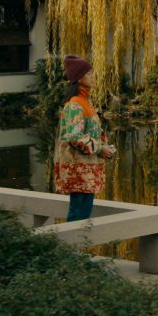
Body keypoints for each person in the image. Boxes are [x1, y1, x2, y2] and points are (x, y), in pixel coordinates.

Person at [54, 55, 115, 222]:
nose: (93, 76)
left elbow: (91, 134)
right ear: (79, 78)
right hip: (78, 170)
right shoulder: (75, 104)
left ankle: (76, 247)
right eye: (89, 73)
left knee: (83, 214)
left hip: (87, 169)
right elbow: (74, 136)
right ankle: (71, 247)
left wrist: (104, 148)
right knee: (78, 215)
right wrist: (99, 148)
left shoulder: (86, 102)